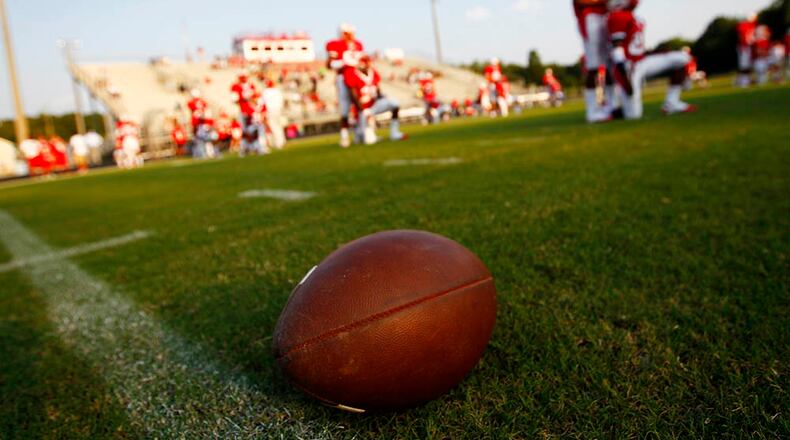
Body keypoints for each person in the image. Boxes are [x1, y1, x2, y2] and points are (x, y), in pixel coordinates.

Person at [607, 0, 695, 119]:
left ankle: (672, 103)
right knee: (633, 115)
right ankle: (611, 112)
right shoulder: (617, 16)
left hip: (642, 61)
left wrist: (657, 52)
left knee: (682, 58)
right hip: (628, 67)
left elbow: (635, 47)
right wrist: (625, 77)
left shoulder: (635, 17)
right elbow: (617, 51)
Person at [344, 55, 406, 145]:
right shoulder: (352, 74)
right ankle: (360, 134)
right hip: (362, 110)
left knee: (394, 103)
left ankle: (394, 133)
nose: (368, 64)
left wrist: (383, 98)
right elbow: (354, 96)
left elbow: (378, 91)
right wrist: (363, 110)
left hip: (374, 105)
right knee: (369, 141)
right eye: (365, 62)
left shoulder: (373, 73)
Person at [574, 0, 615, 122]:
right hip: (590, 18)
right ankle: (592, 112)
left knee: (608, 67)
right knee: (593, 67)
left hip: (606, 16)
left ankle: (611, 107)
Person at [326, 23, 365, 148]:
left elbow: (362, 61)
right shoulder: (335, 44)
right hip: (343, 77)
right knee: (344, 108)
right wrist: (344, 63)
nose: (351, 36)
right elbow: (329, 64)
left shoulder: (358, 44)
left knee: (360, 105)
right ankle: (344, 136)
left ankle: (361, 133)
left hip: (357, 76)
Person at [261, 80, 287, 150]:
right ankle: (282, 140)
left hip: (271, 110)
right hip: (279, 110)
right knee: (279, 126)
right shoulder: (277, 91)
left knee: (274, 126)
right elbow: (282, 100)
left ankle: (279, 142)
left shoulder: (265, 92)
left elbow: (263, 103)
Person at [736, 13, 758, 88]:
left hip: (749, 47)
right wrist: (744, 46)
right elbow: (741, 37)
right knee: (744, 66)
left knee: (748, 65)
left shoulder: (752, 25)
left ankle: (746, 80)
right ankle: (743, 82)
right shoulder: (744, 25)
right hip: (744, 47)